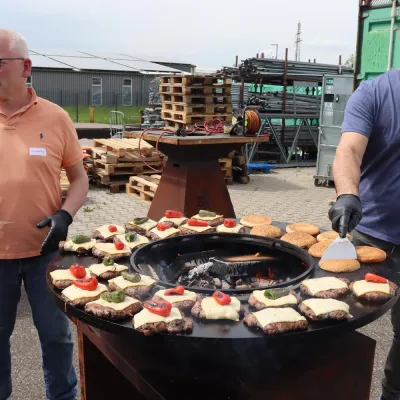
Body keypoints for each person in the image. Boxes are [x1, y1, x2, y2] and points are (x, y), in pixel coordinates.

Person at [0, 29, 88, 400]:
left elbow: (80, 178)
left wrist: (65, 215)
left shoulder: (55, 118)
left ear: (25, 67)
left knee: (56, 337)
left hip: (44, 252)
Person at [329, 69, 400, 400]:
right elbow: (349, 151)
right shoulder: (375, 93)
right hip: (371, 238)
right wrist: (347, 194)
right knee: (333, 317)